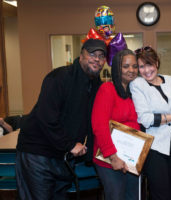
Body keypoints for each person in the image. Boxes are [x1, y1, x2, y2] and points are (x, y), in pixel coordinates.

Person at [15, 38, 106, 200]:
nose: (97, 59)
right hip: (38, 154)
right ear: (81, 55)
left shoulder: (96, 85)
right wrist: (70, 144)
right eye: (92, 54)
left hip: (62, 158)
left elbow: (91, 121)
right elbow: (46, 117)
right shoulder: (60, 77)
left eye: (101, 56)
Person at [130, 46, 171, 200]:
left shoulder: (170, 80)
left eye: (149, 64)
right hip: (155, 147)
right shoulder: (137, 85)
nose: (146, 70)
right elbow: (145, 119)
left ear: (156, 63)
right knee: (160, 194)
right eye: (141, 66)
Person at [91, 49, 139, 200]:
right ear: (117, 68)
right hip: (109, 159)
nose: (131, 70)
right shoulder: (107, 89)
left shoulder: (136, 92)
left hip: (132, 159)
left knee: (133, 196)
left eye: (135, 66)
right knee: (116, 196)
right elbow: (99, 125)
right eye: (126, 66)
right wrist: (113, 157)